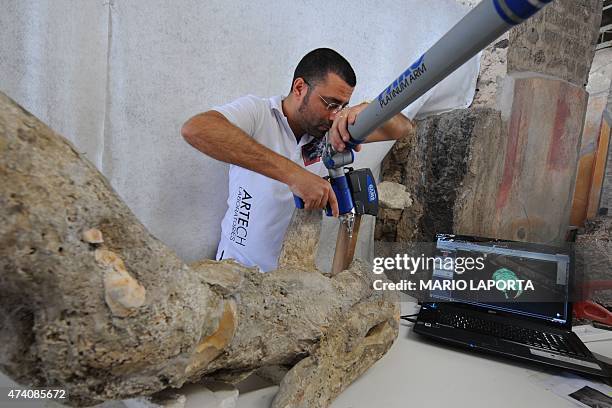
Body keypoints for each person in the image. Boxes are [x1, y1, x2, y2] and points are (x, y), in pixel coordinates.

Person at [181, 48, 414, 272]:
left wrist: (369, 109)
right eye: (331, 103)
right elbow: (197, 129)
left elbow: (402, 128)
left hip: (289, 285)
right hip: (234, 272)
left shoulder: (334, 129)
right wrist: (295, 175)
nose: (336, 113)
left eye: (343, 106)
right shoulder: (259, 113)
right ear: (300, 87)